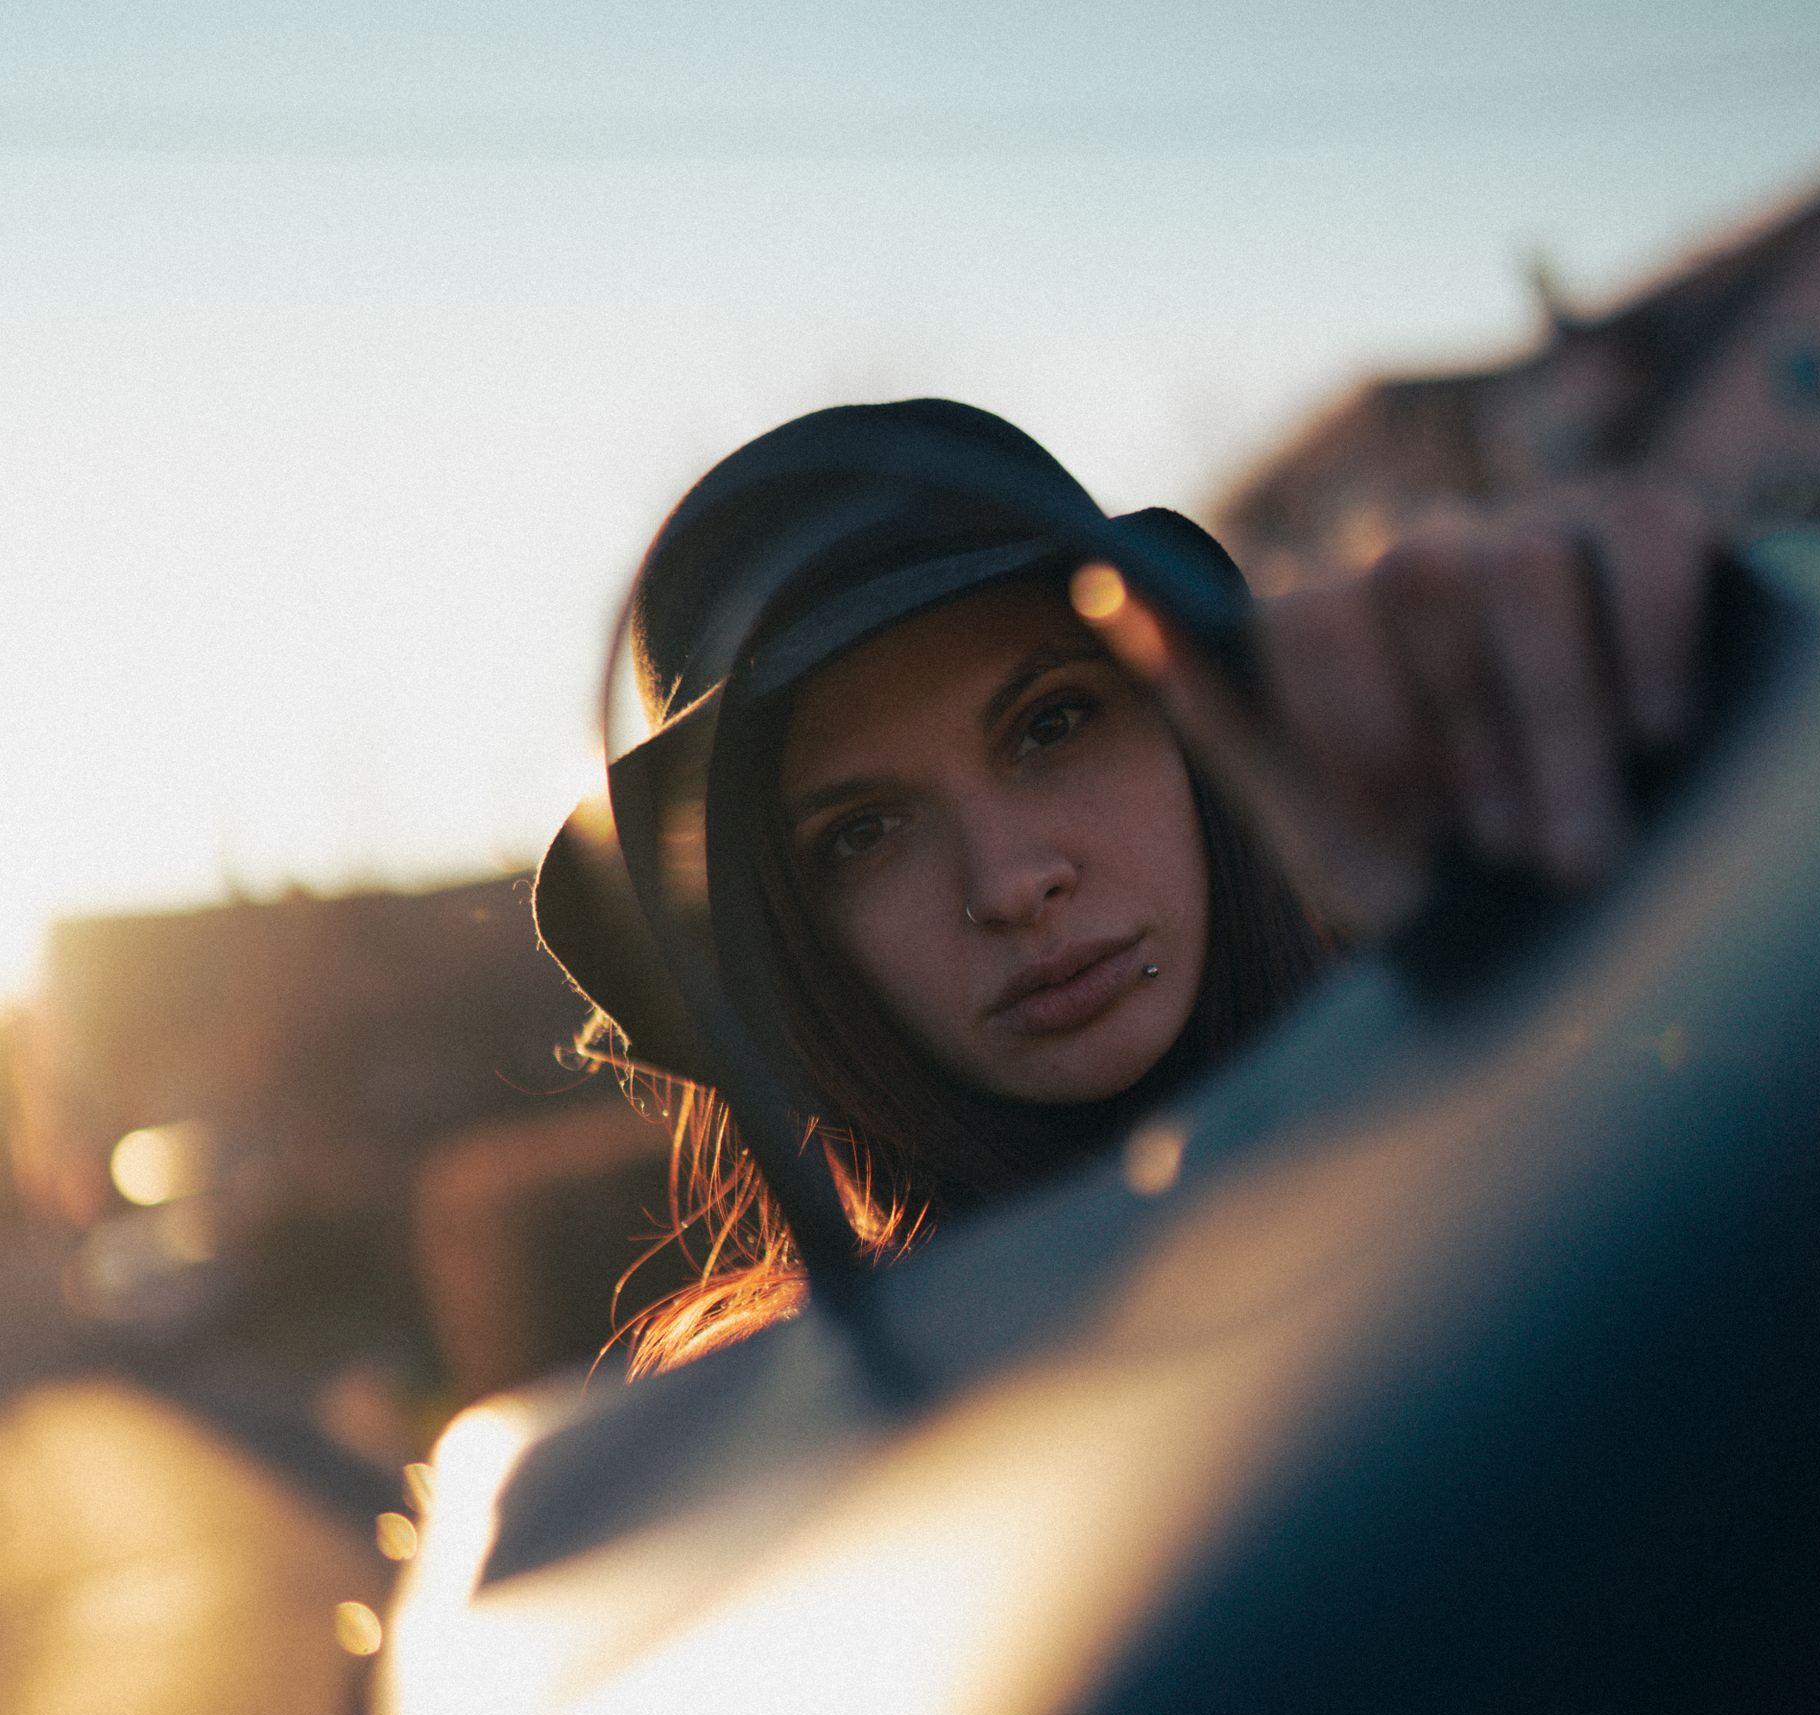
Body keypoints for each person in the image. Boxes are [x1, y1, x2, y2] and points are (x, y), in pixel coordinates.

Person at [534, 399, 1714, 1371]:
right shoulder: (796, 1444)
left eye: (1052, 724)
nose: (1011, 883)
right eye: (860, 835)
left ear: (1193, 719)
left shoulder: (1541, 1082)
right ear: (778, 946)